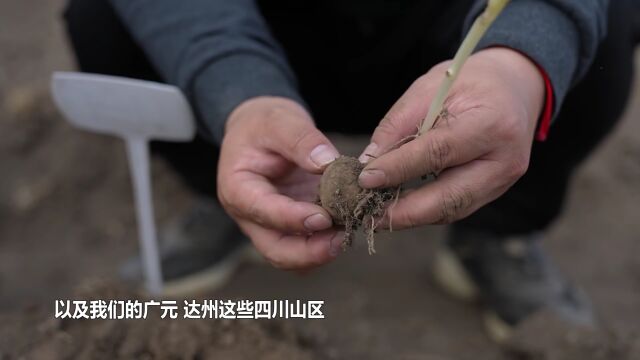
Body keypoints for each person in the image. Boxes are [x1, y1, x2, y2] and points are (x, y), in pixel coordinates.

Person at [63, 0, 638, 341]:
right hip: (274, 34)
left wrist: (521, 59)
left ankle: (499, 229)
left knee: (601, 23)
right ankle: (236, 185)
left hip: (456, 45)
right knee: (101, 17)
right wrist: (236, 88)